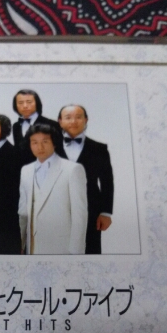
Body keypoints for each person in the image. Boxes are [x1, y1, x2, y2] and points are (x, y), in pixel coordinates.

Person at [18, 124, 87, 254]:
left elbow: (80, 215)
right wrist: (20, 245)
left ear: (54, 143)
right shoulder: (26, 170)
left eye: (45, 141)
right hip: (32, 248)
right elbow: (23, 212)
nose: (40, 147)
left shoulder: (72, 169)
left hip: (62, 248)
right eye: (34, 142)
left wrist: (76, 254)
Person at [57, 104, 114, 254]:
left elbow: (107, 182)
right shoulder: (49, 147)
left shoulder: (99, 149)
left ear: (86, 120)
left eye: (78, 117)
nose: (73, 121)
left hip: (91, 209)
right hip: (55, 207)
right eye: (68, 117)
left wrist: (106, 212)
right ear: (60, 121)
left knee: (90, 251)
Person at [11, 89, 62, 165]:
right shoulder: (16, 126)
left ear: (37, 103)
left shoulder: (52, 124)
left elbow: (59, 150)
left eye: (29, 102)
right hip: (23, 169)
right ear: (15, 105)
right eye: (20, 103)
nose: (25, 106)